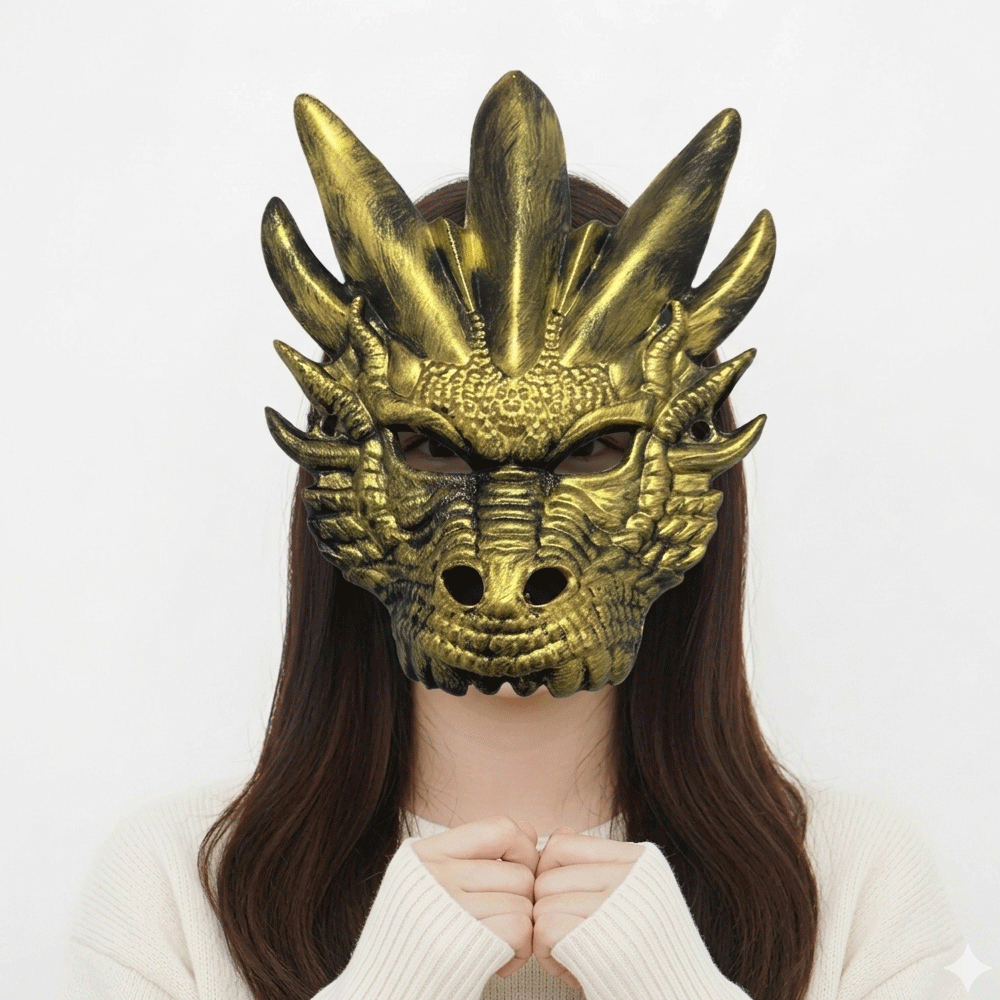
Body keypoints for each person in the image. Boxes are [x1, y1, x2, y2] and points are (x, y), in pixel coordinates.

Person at [60, 72, 965, 1000]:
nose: (505, 561)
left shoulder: (858, 881)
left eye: (596, 450)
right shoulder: (172, 889)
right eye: (430, 447)